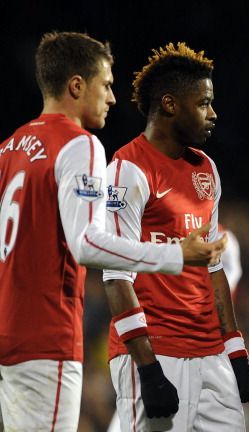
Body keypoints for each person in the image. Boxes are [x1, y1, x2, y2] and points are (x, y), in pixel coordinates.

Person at [0, 32, 226, 431]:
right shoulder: (79, 145)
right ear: (76, 85)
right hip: (44, 336)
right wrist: (176, 255)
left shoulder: (10, 147)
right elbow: (86, 243)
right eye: (105, 85)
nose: (112, 98)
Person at [103, 42, 249, 431]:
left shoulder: (206, 169)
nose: (213, 113)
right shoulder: (127, 170)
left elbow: (215, 267)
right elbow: (115, 275)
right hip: (156, 349)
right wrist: (148, 368)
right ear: (171, 105)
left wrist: (236, 352)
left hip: (211, 354)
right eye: (204, 103)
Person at [106, 222, 244, 432]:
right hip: (154, 349)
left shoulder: (223, 240)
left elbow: (218, 297)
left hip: (203, 350)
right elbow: (116, 278)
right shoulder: (140, 224)